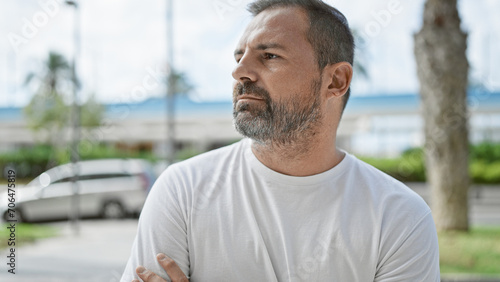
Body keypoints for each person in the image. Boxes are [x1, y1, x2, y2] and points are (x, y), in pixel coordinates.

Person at [121, 0, 440, 281]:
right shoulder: (182, 191)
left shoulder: (399, 217)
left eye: (269, 55)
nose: (240, 72)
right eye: (239, 57)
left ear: (336, 80)